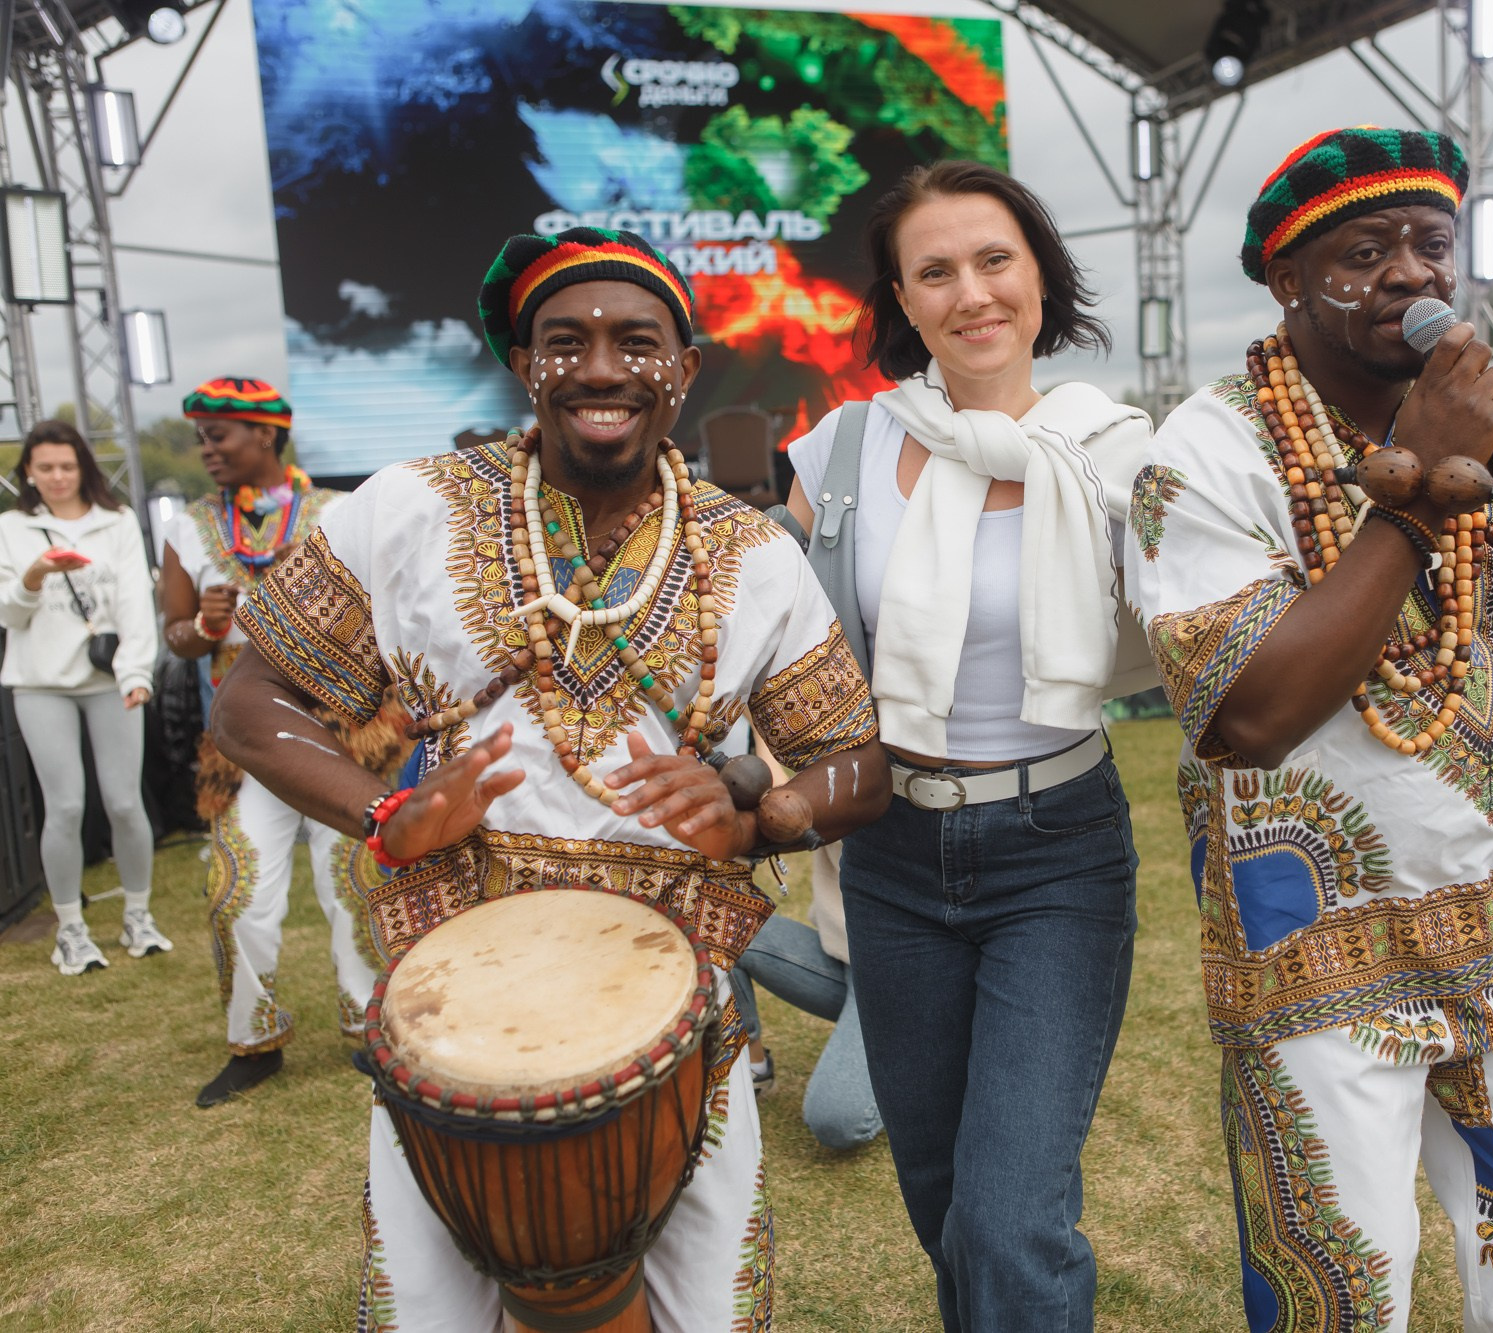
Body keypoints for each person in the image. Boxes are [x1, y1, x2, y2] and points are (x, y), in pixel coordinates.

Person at [210, 226, 888, 1328]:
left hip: (675, 1007)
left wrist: (766, 814)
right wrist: (389, 813)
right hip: (452, 999)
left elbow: (858, 761)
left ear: (687, 367)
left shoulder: (752, 552)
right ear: (523, 363)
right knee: (436, 1312)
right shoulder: (406, 509)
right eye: (564, 340)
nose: (603, 367)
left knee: (708, 1312)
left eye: (638, 340)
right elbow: (251, 702)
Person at [1130, 127, 1493, 1331]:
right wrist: (1418, 485)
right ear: (1284, 281)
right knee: (1341, 1292)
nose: (1411, 275)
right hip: (1314, 957)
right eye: (1364, 252)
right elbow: (1250, 714)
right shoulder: (1203, 452)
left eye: (1429, 244)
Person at [782, 160, 1152, 1332]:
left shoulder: (1121, 454)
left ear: (1039, 271)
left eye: (994, 259)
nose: (970, 293)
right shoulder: (837, 454)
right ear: (900, 298)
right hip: (888, 852)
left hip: (1057, 852)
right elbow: (773, 641)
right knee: (938, 1195)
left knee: (1008, 1214)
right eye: (932, 271)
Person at [160, 378, 406, 1107]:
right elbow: (173, 638)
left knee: (357, 885)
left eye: (220, 434)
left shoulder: (341, 512)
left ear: (267, 434)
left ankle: (375, 1033)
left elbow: (387, 610)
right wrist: (202, 627)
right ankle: (253, 1041)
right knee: (235, 891)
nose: (207, 449)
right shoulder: (186, 527)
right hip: (244, 741)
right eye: (202, 437)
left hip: (347, 732)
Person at [0, 420, 165, 972]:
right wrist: (35, 575)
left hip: (111, 681)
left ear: (84, 469)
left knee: (124, 801)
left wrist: (137, 671)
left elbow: (138, 604)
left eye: (67, 466)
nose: (57, 476)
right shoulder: (12, 527)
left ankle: (138, 915)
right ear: (28, 472)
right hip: (40, 682)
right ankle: (69, 927)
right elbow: (9, 615)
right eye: (45, 467)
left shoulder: (116, 523)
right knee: (65, 805)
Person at [734, 841, 882, 1150]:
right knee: (716, 919)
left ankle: (942, 1057)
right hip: (847, 959)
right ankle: (753, 1066)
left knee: (836, 1121)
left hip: (905, 970)